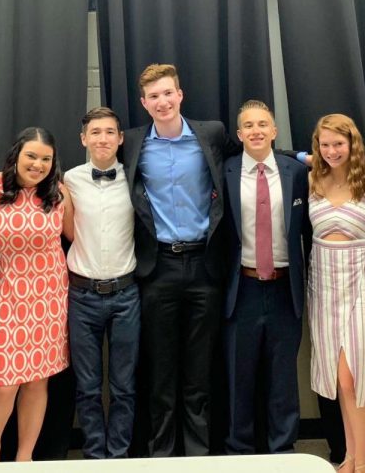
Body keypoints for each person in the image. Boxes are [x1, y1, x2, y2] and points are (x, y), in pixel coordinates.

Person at [120, 63, 241, 456]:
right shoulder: (133, 142)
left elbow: (253, 155)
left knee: (199, 370)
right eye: (154, 96)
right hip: (158, 269)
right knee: (160, 370)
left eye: (168, 93)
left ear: (180, 95)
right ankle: (161, 457)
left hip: (205, 265)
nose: (162, 101)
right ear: (144, 103)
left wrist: (302, 159)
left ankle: (198, 456)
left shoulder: (212, 133)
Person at [222, 100, 310, 454]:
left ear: (274, 131)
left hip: (285, 287)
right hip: (240, 288)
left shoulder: (297, 173)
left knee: (283, 378)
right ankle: (237, 451)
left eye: (263, 124)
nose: (256, 131)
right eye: (248, 125)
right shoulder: (224, 170)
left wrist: (303, 156)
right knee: (237, 377)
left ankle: (282, 450)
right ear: (240, 134)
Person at [0, 127, 71, 462]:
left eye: (46, 158)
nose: (38, 164)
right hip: (0, 297)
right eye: (32, 155)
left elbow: (76, 236)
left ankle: (24, 459)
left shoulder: (59, 194)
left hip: (47, 300)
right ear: (16, 154)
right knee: (3, 382)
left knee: (36, 383)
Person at [307, 115, 365, 473]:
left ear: (351, 143)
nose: (331, 151)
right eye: (324, 145)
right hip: (323, 277)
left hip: (363, 277)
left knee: (356, 373)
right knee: (340, 377)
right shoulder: (312, 179)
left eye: (338, 144)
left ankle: (364, 457)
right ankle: (351, 456)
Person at [63, 107, 139, 459]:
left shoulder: (136, 177)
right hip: (81, 295)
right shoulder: (68, 180)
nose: (103, 139)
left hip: (127, 294)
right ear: (84, 139)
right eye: (95, 132)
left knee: (124, 386)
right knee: (88, 386)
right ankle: (95, 456)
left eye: (110, 132)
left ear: (121, 139)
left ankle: (119, 456)